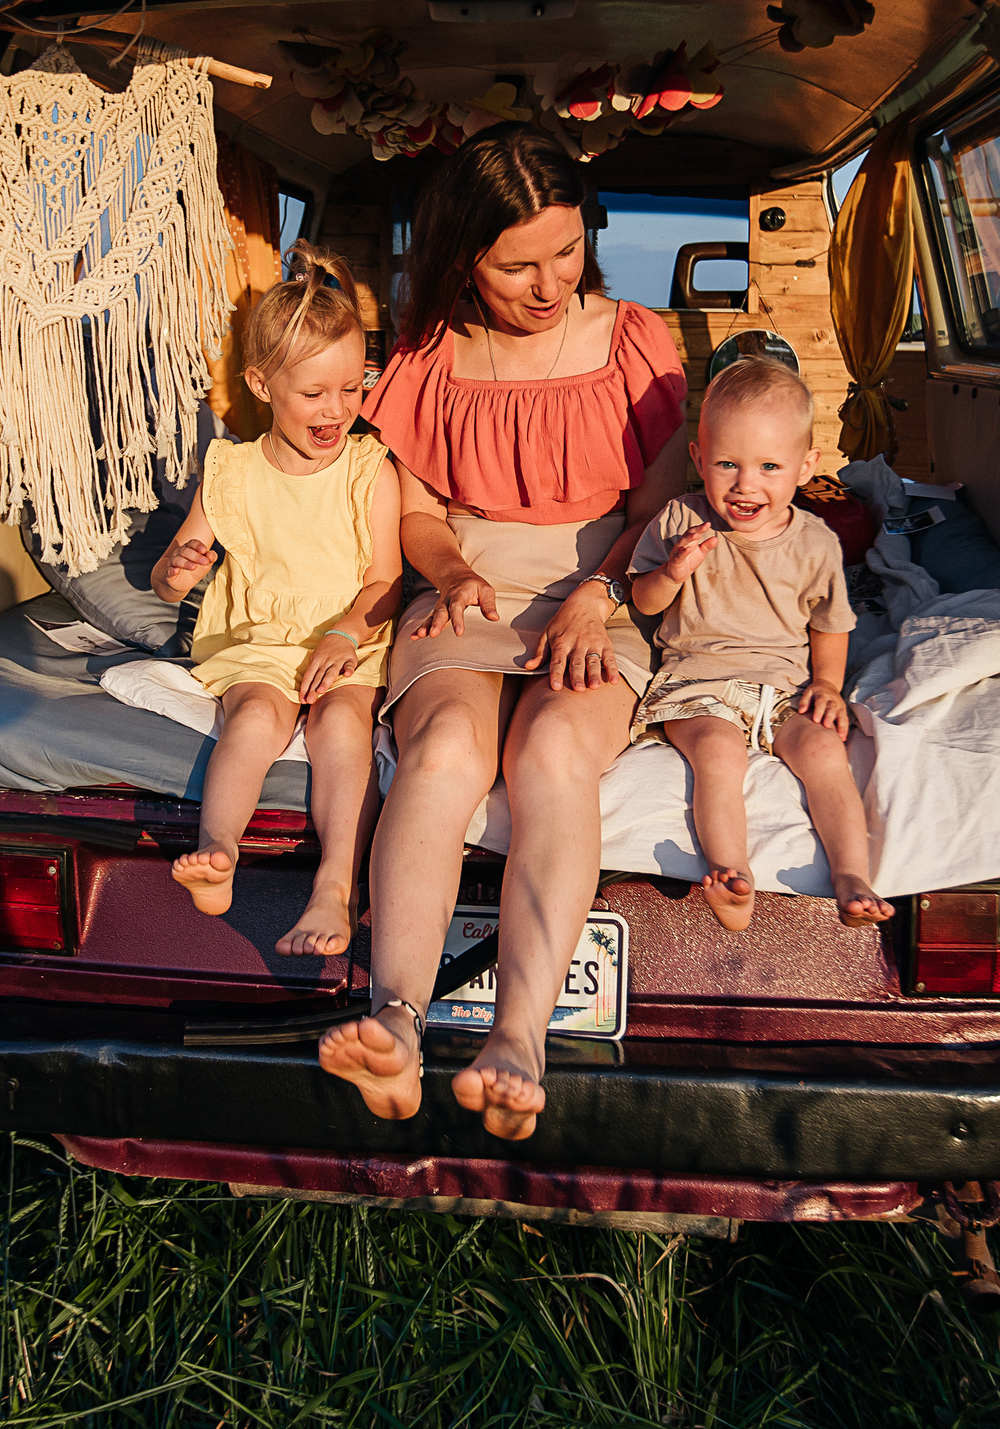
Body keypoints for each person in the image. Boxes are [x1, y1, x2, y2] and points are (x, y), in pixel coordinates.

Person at [316, 124, 689, 1141]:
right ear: (460, 257)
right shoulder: (429, 357)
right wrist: (452, 575)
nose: (547, 284)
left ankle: (517, 1038)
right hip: (469, 589)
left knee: (556, 754)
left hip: (601, 587)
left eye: (565, 253)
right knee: (440, 752)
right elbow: (420, 512)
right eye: (515, 265)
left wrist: (601, 596)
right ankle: (394, 1016)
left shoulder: (637, 341)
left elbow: (663, 498)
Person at [152, 244, 401, 959]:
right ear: (261, 383)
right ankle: (218, 852)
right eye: (314, 394)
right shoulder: (231, 471)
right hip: (259, 637)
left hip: (347, 637)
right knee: (258, 715)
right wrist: (177, 569)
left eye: (352, 389)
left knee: (343, 730)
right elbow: (170, 581)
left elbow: (386, 580)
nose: (337, 411)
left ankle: (334, 884)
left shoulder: (368, 468)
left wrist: (346, 636)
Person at [626, 358, 892, 932]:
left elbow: (830, 622)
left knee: (825, 753)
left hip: (783, 686)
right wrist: (672, 572)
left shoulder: (816, 543)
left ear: (805, 468)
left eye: (770, 466)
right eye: (727, 464)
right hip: (696, 682)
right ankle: (731, 875)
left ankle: (852, 876)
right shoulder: (680, 519)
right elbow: (643, 601)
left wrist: (826, 684)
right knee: (718, 754)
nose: (746, 484)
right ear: (698, 459)